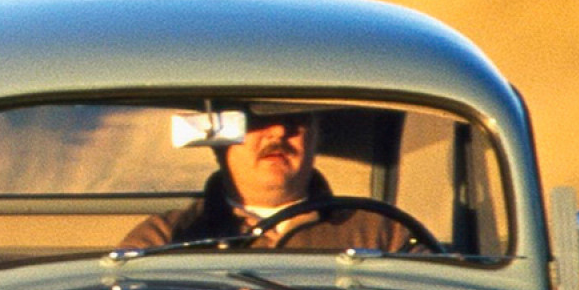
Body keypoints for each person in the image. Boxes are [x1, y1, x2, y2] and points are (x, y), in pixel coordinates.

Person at [121, 108, 412, 253]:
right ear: (218, 139)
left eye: (294, 120)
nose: (277, 134)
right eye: (255, 120)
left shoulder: (383, 234)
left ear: (316, 135)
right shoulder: (164, 239)